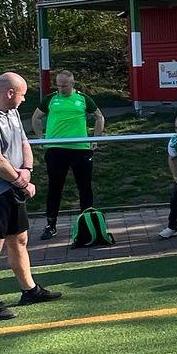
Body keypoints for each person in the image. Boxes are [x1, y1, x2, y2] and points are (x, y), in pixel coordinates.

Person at [0, 72, 60, 320]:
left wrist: (27, 171)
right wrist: (20, 181)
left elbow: (24, 143)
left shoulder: (12, 113)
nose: (24, 100)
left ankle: (30, 290)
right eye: (22, 94)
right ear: (9, 93)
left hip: (10, 189)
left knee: (19, 240)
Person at [36, 69, 107, 242]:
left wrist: (95, 139)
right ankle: (50, 224)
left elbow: (99, 117)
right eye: (58, 85)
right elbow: (36, 117)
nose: (61, 88)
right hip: (56, 149)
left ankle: (87, 221)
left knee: (84, 186)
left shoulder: (82, 98)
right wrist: (40, 138)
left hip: (80, 149)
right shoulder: (51, 99)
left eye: (64, 86)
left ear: (72, 84)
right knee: (55, 187)